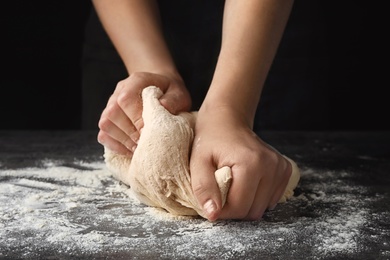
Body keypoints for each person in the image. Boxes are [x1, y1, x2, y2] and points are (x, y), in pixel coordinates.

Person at [84, 0, 297, 221]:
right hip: (130, 27)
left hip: (261, 34)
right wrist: (153, 80)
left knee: (253, 167)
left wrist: (230, 109)